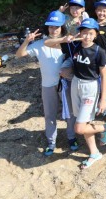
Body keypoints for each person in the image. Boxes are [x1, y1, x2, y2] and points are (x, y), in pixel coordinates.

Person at [44, 18, 106, 170]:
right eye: (84, 33)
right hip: (75, 84)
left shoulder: (98, 51)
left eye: (90, 33)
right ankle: (94, 153)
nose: (87, 36)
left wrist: (103, 99)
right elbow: (47, 43)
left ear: (95, 35)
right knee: (84, 122)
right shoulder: (74, 46)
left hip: (90, 87)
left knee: (79, 128)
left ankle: (105, 127)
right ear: (79, 33)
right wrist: (66, 38)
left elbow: (103, 76)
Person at [14, 11, 78, 156]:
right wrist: (26, 41)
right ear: (47, 28)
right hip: (47, 85)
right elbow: (19, 55)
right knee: (49, 114)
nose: (54, 30)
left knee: (70, 113)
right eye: (50, 27)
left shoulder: (68, 43)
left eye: (57, 27)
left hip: (65, 83)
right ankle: (51, 142)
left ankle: (71, 137)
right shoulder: (39, 44)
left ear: (62, 27)